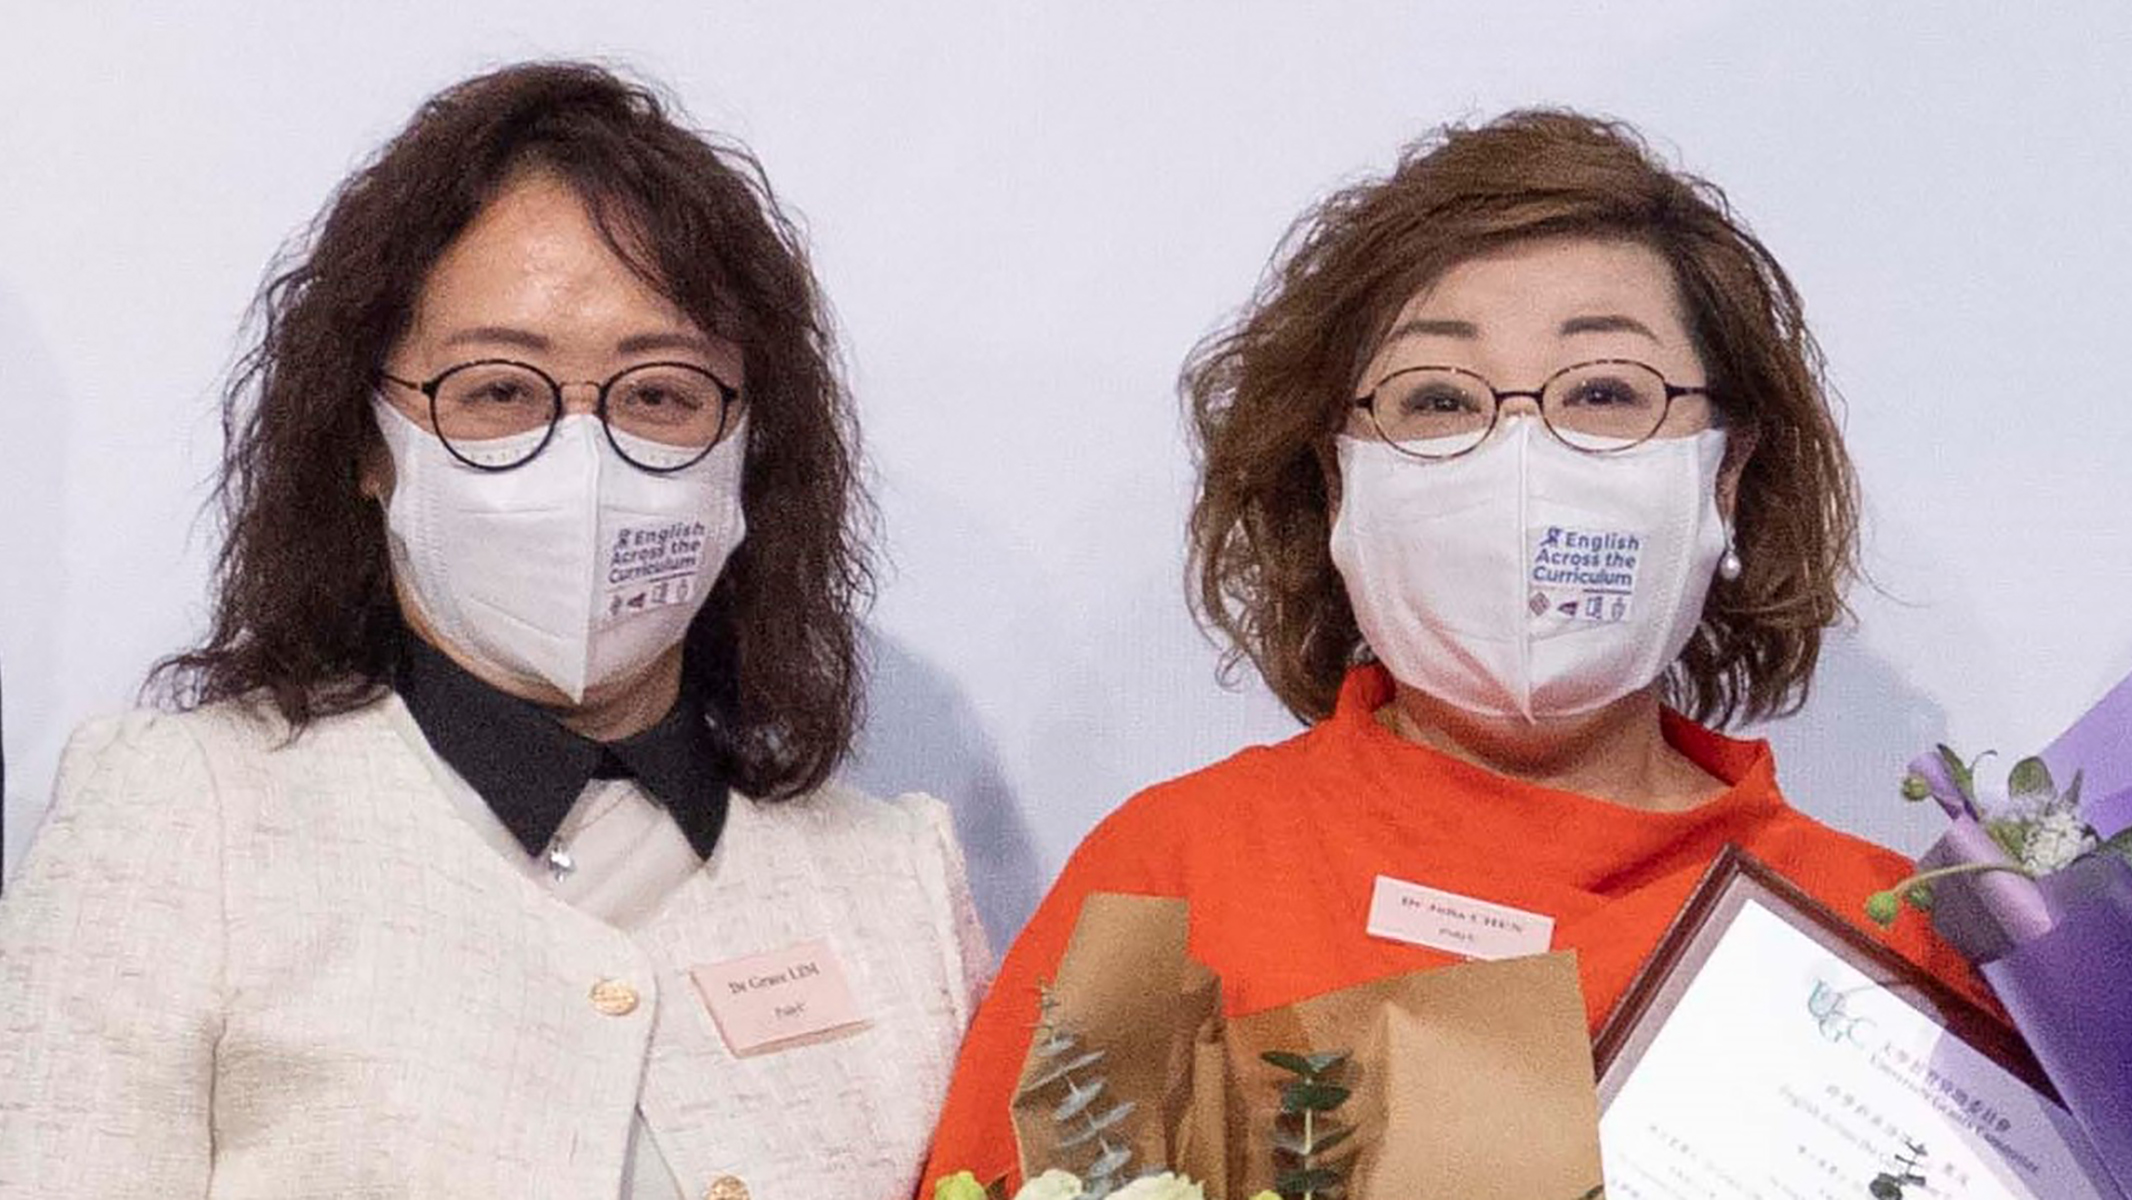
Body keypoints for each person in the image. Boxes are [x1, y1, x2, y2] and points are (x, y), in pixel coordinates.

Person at [921, 110, 1979, 1187]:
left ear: (1724, 473)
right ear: (1336, 480)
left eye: (1603, 392)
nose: (1520, 454)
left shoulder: (1879, 950)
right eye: (1437, 399)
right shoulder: (1173, 875)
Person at [0, 62, 987, 1199]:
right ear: (368, 444)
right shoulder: (189, 816)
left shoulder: (888, 879)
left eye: (658, 392)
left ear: (746, 453)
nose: (584, 460)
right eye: (497, 390)